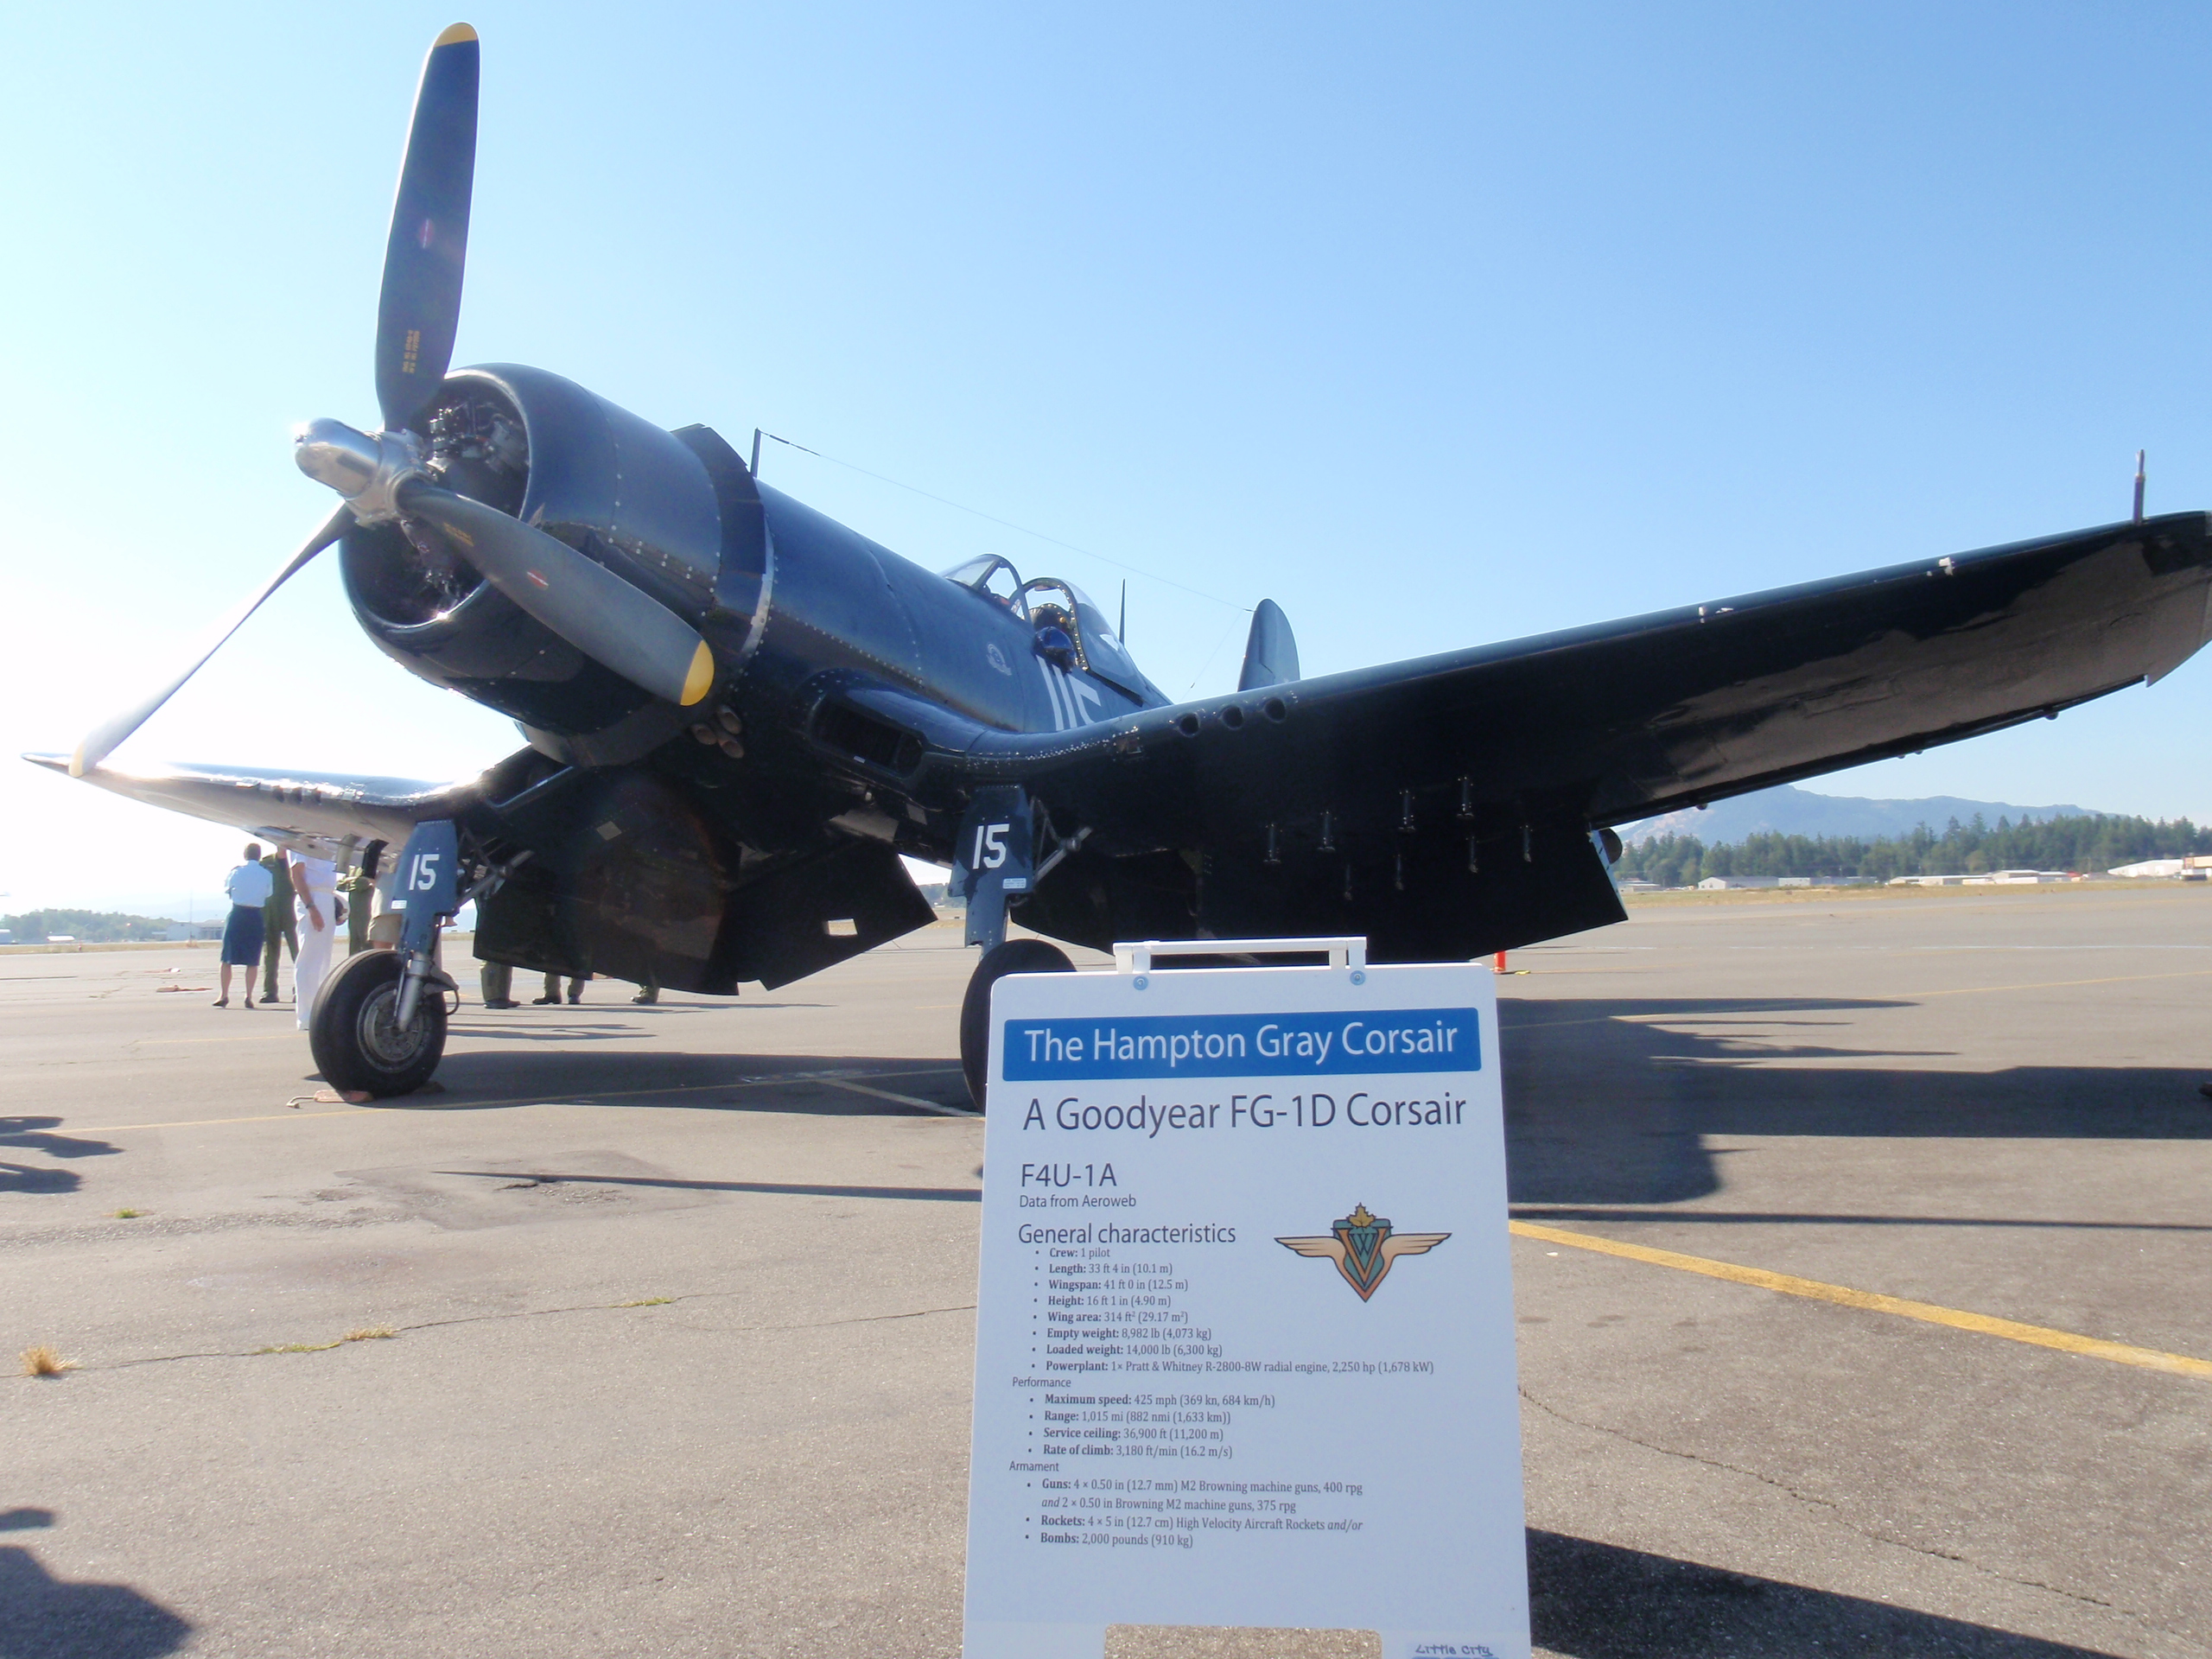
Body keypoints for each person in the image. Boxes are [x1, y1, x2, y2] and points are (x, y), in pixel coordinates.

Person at [216, 843, 273, 1008]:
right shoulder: (266, 874)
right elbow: (269, 893)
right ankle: (248, 996)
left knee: (226, 958)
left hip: (238, 913)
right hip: (255, 915)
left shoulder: (236, 872)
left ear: (245, 855)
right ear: (259, 856)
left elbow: (227, 889)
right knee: (252, 960)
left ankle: (224, 994)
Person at [289, 849, 340, 1032]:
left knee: (323, 959)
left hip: (326, 896)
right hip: (312, 896)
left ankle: (318, 1012)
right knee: (309, 958)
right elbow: (297, 874)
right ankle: (305, 1015)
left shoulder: (324, 841)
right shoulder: (299, 843)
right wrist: (311, 907)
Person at [258, 848, 296, 1004]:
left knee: (298, 954)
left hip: (292, 912)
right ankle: (270, 991)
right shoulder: (266, 863)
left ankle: (301, 990)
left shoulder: (296, 862)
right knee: (270, 956)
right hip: (271, 913)